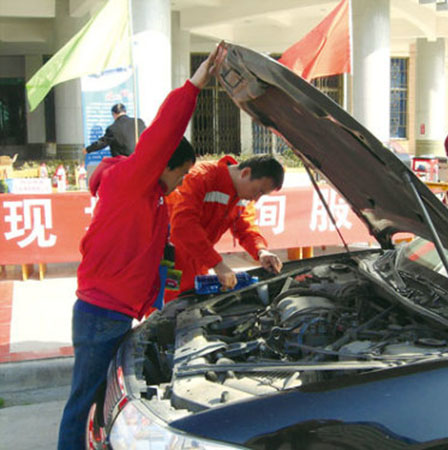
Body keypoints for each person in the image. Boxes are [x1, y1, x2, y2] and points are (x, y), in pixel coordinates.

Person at [57, 44, 226, 450]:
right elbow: (163, 133)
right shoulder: (133, 183)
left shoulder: (152, 199)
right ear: (162, 163)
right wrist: (194, 85)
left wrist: (161, 304)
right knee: (83, 403)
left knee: (100, 403)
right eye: (182, 173)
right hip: (102, 312)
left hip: (114, 311)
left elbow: (156, 255)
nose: (184, 183)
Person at [165, 155, 285, 298]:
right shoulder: (202, 177)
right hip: (169, 258)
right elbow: (183, 226)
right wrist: (217, 264)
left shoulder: (243, 196)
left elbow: (246, 229)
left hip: (200, 259)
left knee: (191, 306)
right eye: (258, 191)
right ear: (245, 173)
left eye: (263, 195)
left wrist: (261, 251)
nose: (256, 199)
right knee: (166, 310)